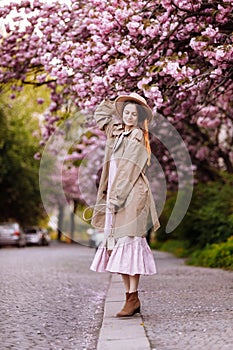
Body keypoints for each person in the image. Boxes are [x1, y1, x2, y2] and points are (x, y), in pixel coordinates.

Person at [90, 92, 160, 317]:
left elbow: (129, 170)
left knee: (129, 242)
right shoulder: (117, 131)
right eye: (126, 113)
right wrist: (117, 100)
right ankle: (130, 298)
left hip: (130, 195)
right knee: (117, 245)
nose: (129, 117)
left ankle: (133, 296)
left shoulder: (138, 136)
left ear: (139, 118)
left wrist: (115, 199)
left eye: (134, 114)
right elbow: (100, 114)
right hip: (115, 194)